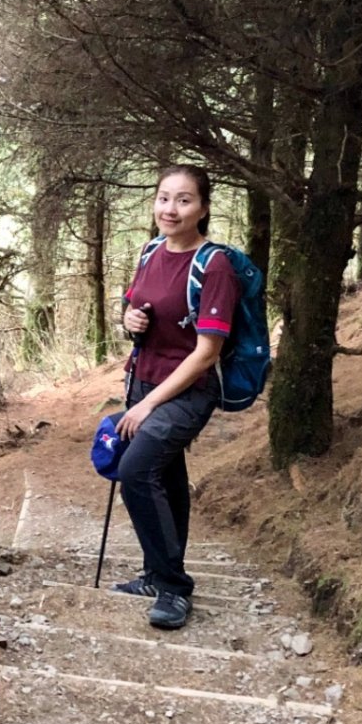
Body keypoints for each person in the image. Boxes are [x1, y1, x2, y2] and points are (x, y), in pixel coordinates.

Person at [113, 164, 240, 629]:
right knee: (163, 475)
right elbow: (137, 307)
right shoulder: (150, 251)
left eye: (184, 200)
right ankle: (155, 572)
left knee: (135, 472)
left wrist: (148, 406)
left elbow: (206, 354)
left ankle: (173, 586)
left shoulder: (215, 265)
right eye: (164, 197)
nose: (171, 208)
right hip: (143, 381)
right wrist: (130, 320)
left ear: (203, 208)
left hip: (186, 391)